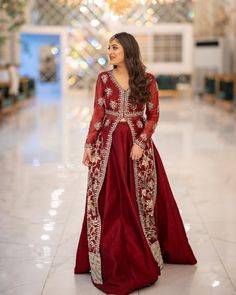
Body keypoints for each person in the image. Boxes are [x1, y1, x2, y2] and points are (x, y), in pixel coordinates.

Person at [74, 32, 197, 295]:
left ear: (128, 49)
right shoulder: (103, 79)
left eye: (115, 47)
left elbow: (153, 115)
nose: (110, 51)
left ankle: (143, 250)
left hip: (136, 148)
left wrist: (141, 142)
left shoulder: (147, 80)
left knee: (141, 199)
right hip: (108, 146)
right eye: (109, 47)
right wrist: (88, 144)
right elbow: (98, 113)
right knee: (108, 200)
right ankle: (109, 252)